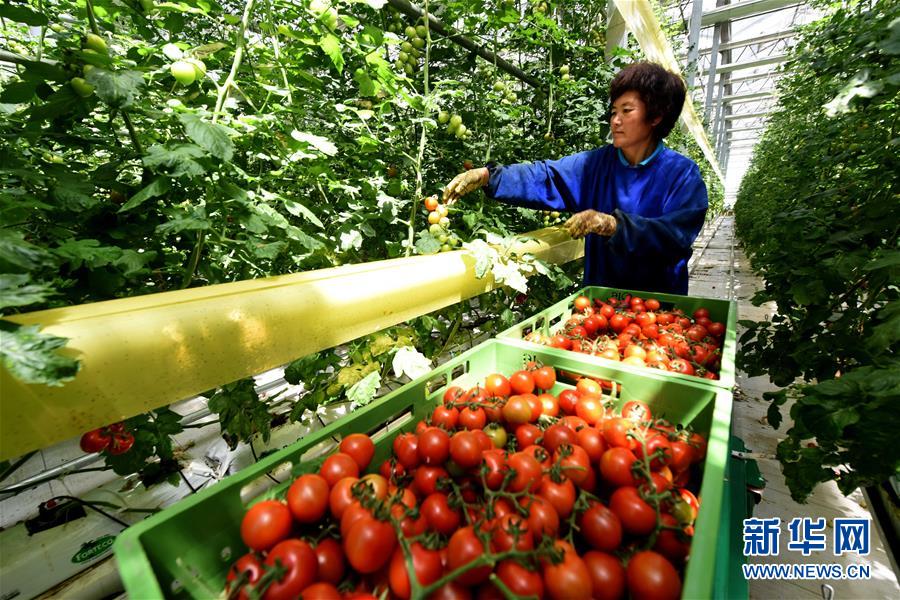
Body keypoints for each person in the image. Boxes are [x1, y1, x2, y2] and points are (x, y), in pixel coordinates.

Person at [443, 62, 708, 295]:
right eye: (613, 111)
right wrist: (490, 176)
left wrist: (612, 225)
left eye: (627, 111)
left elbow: (674, 237)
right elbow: (546, 176)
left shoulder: (681, 175)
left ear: (656, 117)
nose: (615, 120)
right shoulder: (595, 165)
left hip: (656, 310)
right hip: (600, 304)